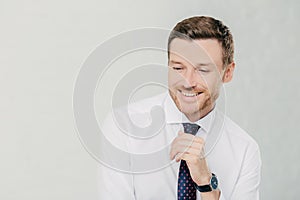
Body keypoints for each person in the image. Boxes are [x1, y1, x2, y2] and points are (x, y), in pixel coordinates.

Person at [97, 16, 261, 200]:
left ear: (228, 72)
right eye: (178, 68)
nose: (188, 82)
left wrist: (206, 184)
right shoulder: (123, 126)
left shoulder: (245, 151)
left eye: (202, 70)